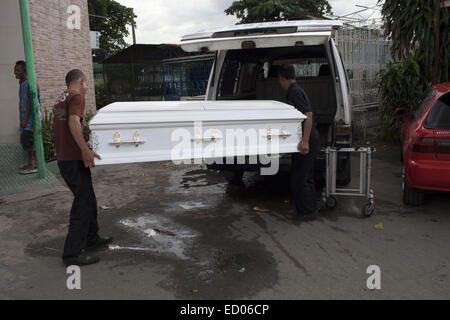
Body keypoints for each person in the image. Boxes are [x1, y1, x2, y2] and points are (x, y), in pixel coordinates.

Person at [54, 69, 112, 266]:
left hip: (65, 158)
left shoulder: (61, 98)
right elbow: (73, 122)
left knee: (88, 198)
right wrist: (85, 149)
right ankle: (71, 255)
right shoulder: (77, 97)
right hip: (72, 159)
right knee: (82, 203)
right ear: (81, 81)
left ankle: (91, 238)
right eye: (86, 84)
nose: (87, 88)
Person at [278, 65, 321, 221]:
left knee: (300, 178)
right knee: (304, 176)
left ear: (283, 78)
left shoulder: (295, 92)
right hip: (306, 138)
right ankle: (308, 209)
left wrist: (305, 141)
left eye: (279, 80)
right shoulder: (295, 90)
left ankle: (307, 213)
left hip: (308, 139)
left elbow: (308, 115)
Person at [14, 60, 42, 174]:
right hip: (26, 119)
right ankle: (31, 163)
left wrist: (25, 118)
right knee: (27, 141)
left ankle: (32, 165)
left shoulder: (31, 83)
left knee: (29, 142)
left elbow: (31, 102)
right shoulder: (23, 83)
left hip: (31, 120)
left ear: (24, 71)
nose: (14, 72)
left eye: (17, 70)